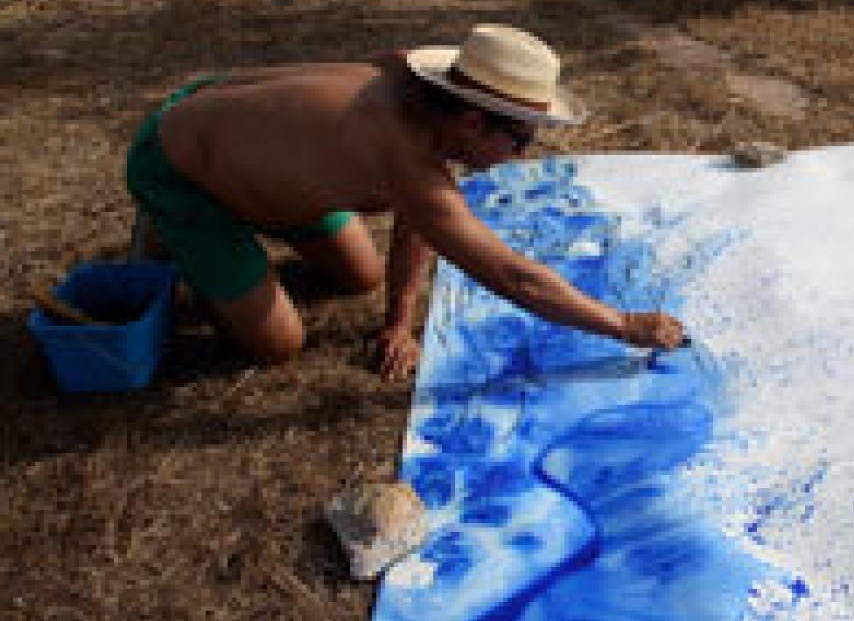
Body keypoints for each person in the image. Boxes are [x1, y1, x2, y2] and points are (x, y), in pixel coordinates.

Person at [124, 23, 686, 380]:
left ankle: (254, 218)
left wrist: (398, 322)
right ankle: (167, 234)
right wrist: (625, 325)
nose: (520, 155)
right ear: (471, 119)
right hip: (181, 166)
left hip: (261, 157)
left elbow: (418, 213)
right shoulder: (402, 153)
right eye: (518, 139)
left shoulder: (419, 98)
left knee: (361, 276)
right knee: (279, 347)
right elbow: (519, 280)